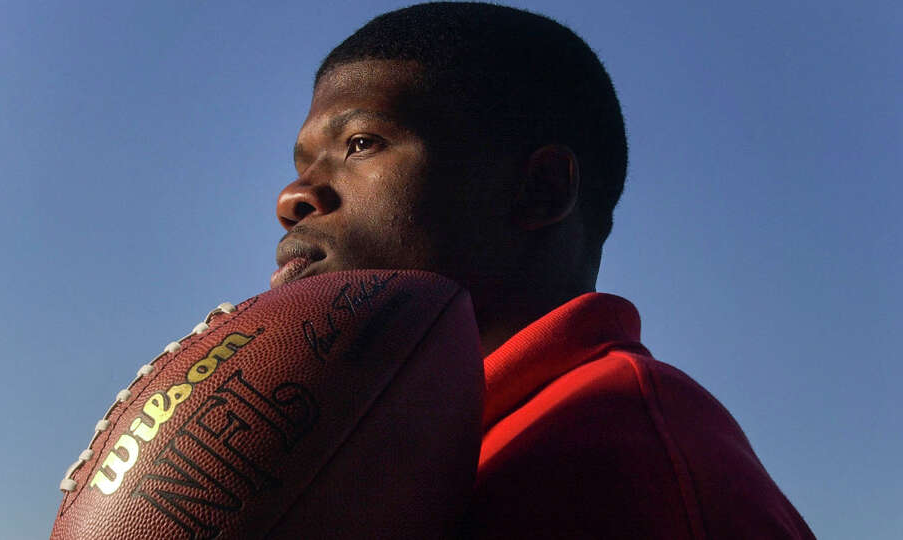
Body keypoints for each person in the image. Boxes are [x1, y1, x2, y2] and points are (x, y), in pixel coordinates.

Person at [272, 2, 815, 538]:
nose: (292, 197)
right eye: (303, 165)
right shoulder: (391, 448)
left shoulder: (617, 455)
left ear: (541, 188)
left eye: (361, 144)